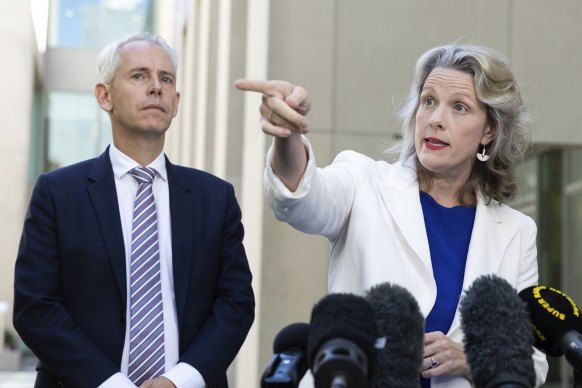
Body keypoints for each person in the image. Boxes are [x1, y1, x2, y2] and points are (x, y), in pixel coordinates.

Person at [235, 44, 548, 387]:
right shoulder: (362, 181)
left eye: (459, 107)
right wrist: (287, 136)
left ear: (489, 131)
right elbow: (302, 199)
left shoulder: (517, 232)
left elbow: (531, 363)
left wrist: (470, 360)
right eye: (428, 101)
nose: (435, 119)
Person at [13, 32, 254, 388]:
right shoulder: (58, 193)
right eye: (139, 75)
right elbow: (35, 306)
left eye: (166, 78)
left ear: (176, 102)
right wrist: (111, 383)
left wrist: (179, 380)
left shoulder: (214, 198)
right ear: (104, 95)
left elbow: (235, 302)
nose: (156, 87)